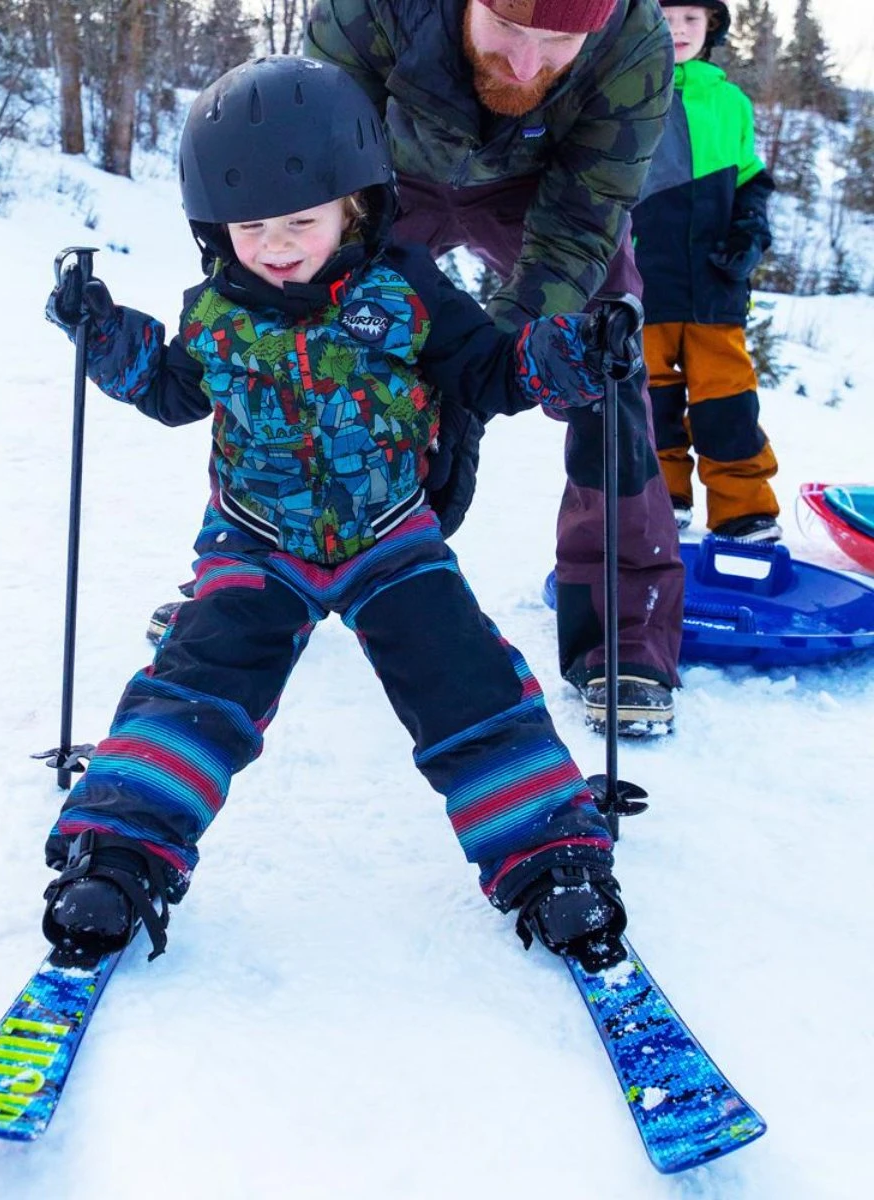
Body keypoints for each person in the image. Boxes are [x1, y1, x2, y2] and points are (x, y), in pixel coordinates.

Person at [39, 56, 639, 975]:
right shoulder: (216, 311)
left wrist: (573, 354)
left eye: (301, 221)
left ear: (355, 206)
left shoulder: (405, 292)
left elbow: (490, 370)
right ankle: (120, 853)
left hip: (390, 535)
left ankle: (549, 853)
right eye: (250, 226)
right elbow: (167, 389)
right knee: (198, 682)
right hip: (256, 542)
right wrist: (103, 334)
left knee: (463, 677)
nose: (275, 245)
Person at [304, 0, 685, 738]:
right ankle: (256, 573)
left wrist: (480, 380)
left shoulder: (633, 41)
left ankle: (625, 629)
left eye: (558, 41)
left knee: (602, 354)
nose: (525, 64)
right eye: (507, 27)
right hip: (382, 179)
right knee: (303, 331)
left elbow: (580, 225)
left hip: (538, 192)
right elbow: (312, 169)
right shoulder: (369, 8)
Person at [632, 2, 780, 542]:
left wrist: (749, 234)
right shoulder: (626, 92)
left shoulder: (730, 102)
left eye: (691, 18)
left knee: (728, 399)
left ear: (712, 25)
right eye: (665, 16)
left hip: (715, 283)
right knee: (648, 398)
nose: (678, 29)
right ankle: (662, 497)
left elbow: (750, 182)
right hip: (643, 283)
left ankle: (743, 509)